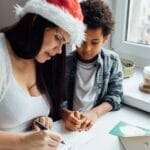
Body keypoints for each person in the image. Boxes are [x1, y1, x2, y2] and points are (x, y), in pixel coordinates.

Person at [0, 0, 85, 149]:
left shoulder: (43, 61)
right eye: (57, 38)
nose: (59, 50)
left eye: (63, 43)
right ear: (35, 21)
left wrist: (41, 120)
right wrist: (23, 141)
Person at [62, 0, 123, 132]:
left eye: (95, 42)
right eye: (82, 41)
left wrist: (95, 113)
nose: (87, 49)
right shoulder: (65, 62)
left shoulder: (112, 61)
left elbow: (116, 95)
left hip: (97, 125)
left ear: (105, 38)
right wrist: (66, 114)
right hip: (68, 127)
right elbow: (54, 98)